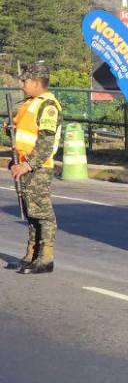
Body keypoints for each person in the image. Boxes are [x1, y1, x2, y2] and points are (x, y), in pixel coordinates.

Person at [7, 61, 63, 274]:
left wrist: (28, 165)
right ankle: (32, 254)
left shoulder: (47, 105)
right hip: (23, 165)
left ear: (37, 82)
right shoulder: (29, 103)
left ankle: (46, 257)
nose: (22, 84)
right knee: (31, 212)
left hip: (37, 167)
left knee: (43, 213)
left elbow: (45, 143)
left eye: (25, 80)